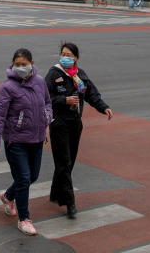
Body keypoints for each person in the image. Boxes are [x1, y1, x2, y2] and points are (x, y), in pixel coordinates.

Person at [44, 42, 113, 218]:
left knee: (68, 161)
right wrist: (64, 100)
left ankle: (56, 193)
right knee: (64, 161)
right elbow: (44, 98)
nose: (65, 57)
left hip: (75, 123)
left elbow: (91, 94)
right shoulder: (53, 74)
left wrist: (103, 107)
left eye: (69, 54)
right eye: (63, 53)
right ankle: (70, 202)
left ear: (76, 58)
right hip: (58, 123)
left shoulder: (79, 75)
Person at [0, 48, 52, 237]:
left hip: (37, 138)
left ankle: (8, 196)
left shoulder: (40, 82)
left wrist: (47, 116)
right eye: (17, 64)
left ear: (31, 64)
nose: (21, 68)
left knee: (32, 176)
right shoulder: (7, 87)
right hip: (15, 140)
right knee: (24, 178)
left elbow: (48, 102)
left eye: (24, 64)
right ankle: (24, 219)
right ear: (13, 65)